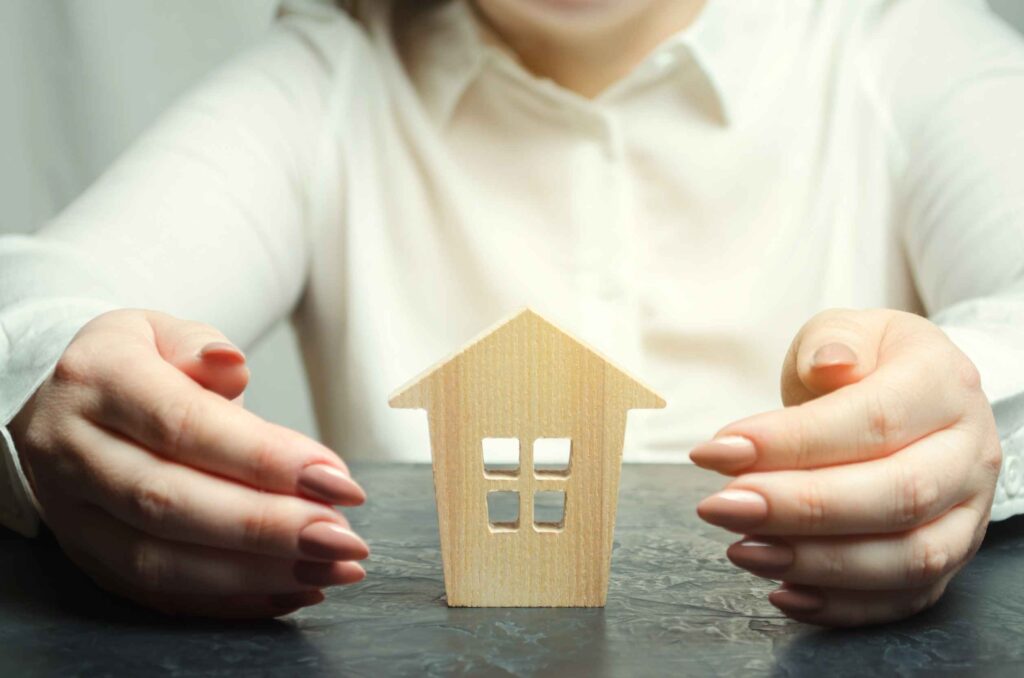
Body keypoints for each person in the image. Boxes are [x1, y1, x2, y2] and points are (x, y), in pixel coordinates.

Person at [1, 0, 1022, 626]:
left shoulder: (900, 41)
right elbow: (40, 290)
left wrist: (951, 398)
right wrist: (58, 369)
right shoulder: (330, 72)